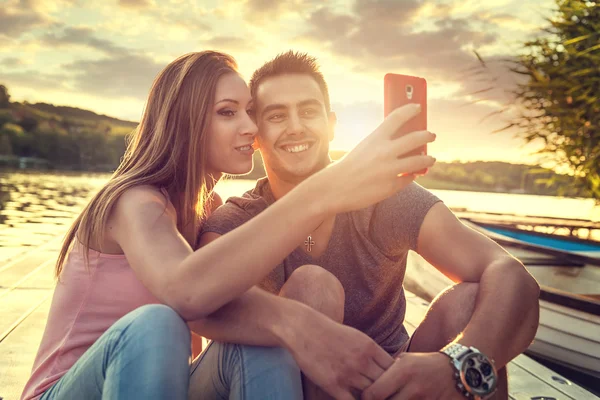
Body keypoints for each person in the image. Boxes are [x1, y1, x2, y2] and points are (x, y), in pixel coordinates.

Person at [21, 51, 436, 400]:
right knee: (157, 323)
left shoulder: (209, 211)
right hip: (70, 389)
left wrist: (287, 328)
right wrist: (324, 192)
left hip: (165, 386)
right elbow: (185, 290)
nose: (252, 128)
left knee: (266, 342)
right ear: (186, 121)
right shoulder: (133, 202)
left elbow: (228, 310)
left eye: (251, 113)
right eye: (227, 113)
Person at [196, 51, 541, 400]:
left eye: (309, 111)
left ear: (331, 124)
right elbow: (203, 301)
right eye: (277, 115)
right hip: (295, 386)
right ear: (256, 133)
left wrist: (458, 365)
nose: (296, 126)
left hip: (396, 384)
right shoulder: (238, 219)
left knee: (470, 299)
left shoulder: (385, 197)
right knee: (313, 285)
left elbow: (511, 274)